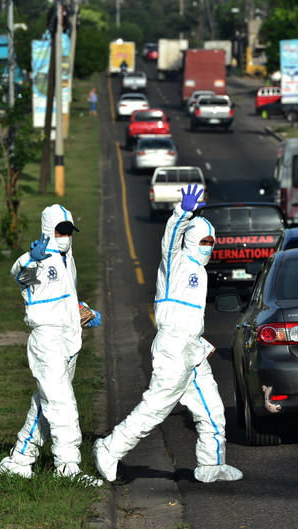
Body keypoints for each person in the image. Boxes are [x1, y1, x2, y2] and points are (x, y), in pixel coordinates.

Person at [93, 185, 243, 484]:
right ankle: (109, 448)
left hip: (193, 349)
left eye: (211, 241)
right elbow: (170, 241)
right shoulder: (176, 262)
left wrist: (200, 341)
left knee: (211, 409)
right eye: (202, 240)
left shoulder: (200, 270)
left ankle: (211, 465)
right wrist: (182, 213)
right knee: (157, 407)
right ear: (190, 240)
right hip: (173, 348)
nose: (207, 245)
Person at [0, 204, 103, 486]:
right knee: (62, 404)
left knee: (45, 404)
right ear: (48, 230)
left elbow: (64, 296)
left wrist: (84, 310)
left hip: (69, 339)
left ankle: (19, 459)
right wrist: (31, 260)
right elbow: (23, 280)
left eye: (70, 231)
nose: (67, 236)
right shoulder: (38, 260)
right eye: (61, 231)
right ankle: (67, 466)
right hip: (47, 341)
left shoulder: (69, 259)